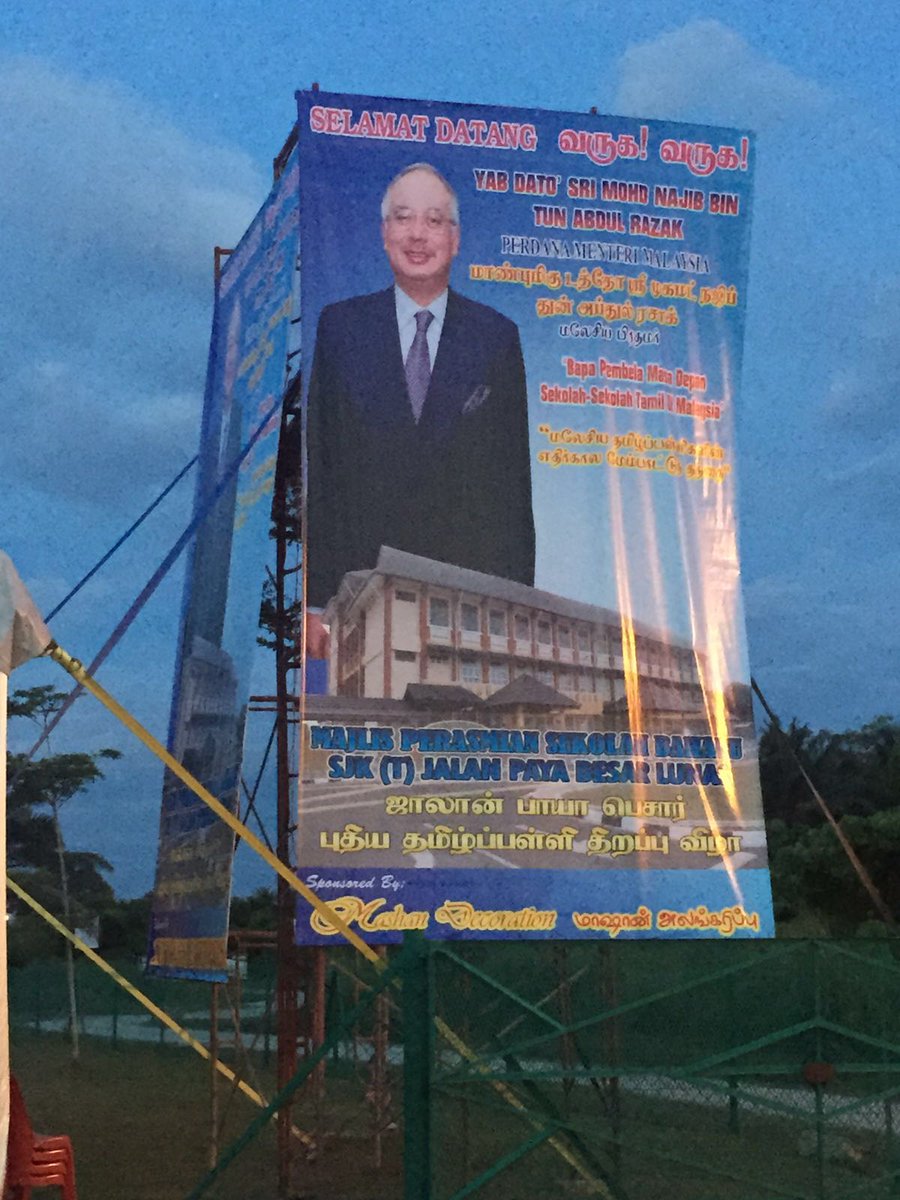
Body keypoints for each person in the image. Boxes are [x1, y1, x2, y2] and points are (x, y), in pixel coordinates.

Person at [305, 162, 535, 613]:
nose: (417, 235)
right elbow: (323, 472)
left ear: (455, 239)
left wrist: (518, 604)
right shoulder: (340, 328)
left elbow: (513, 488)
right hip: (361, 596)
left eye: (433, 220)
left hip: (468, 598)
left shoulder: (496, 337)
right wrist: (315, 604)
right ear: (384, 231)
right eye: (403, 217)